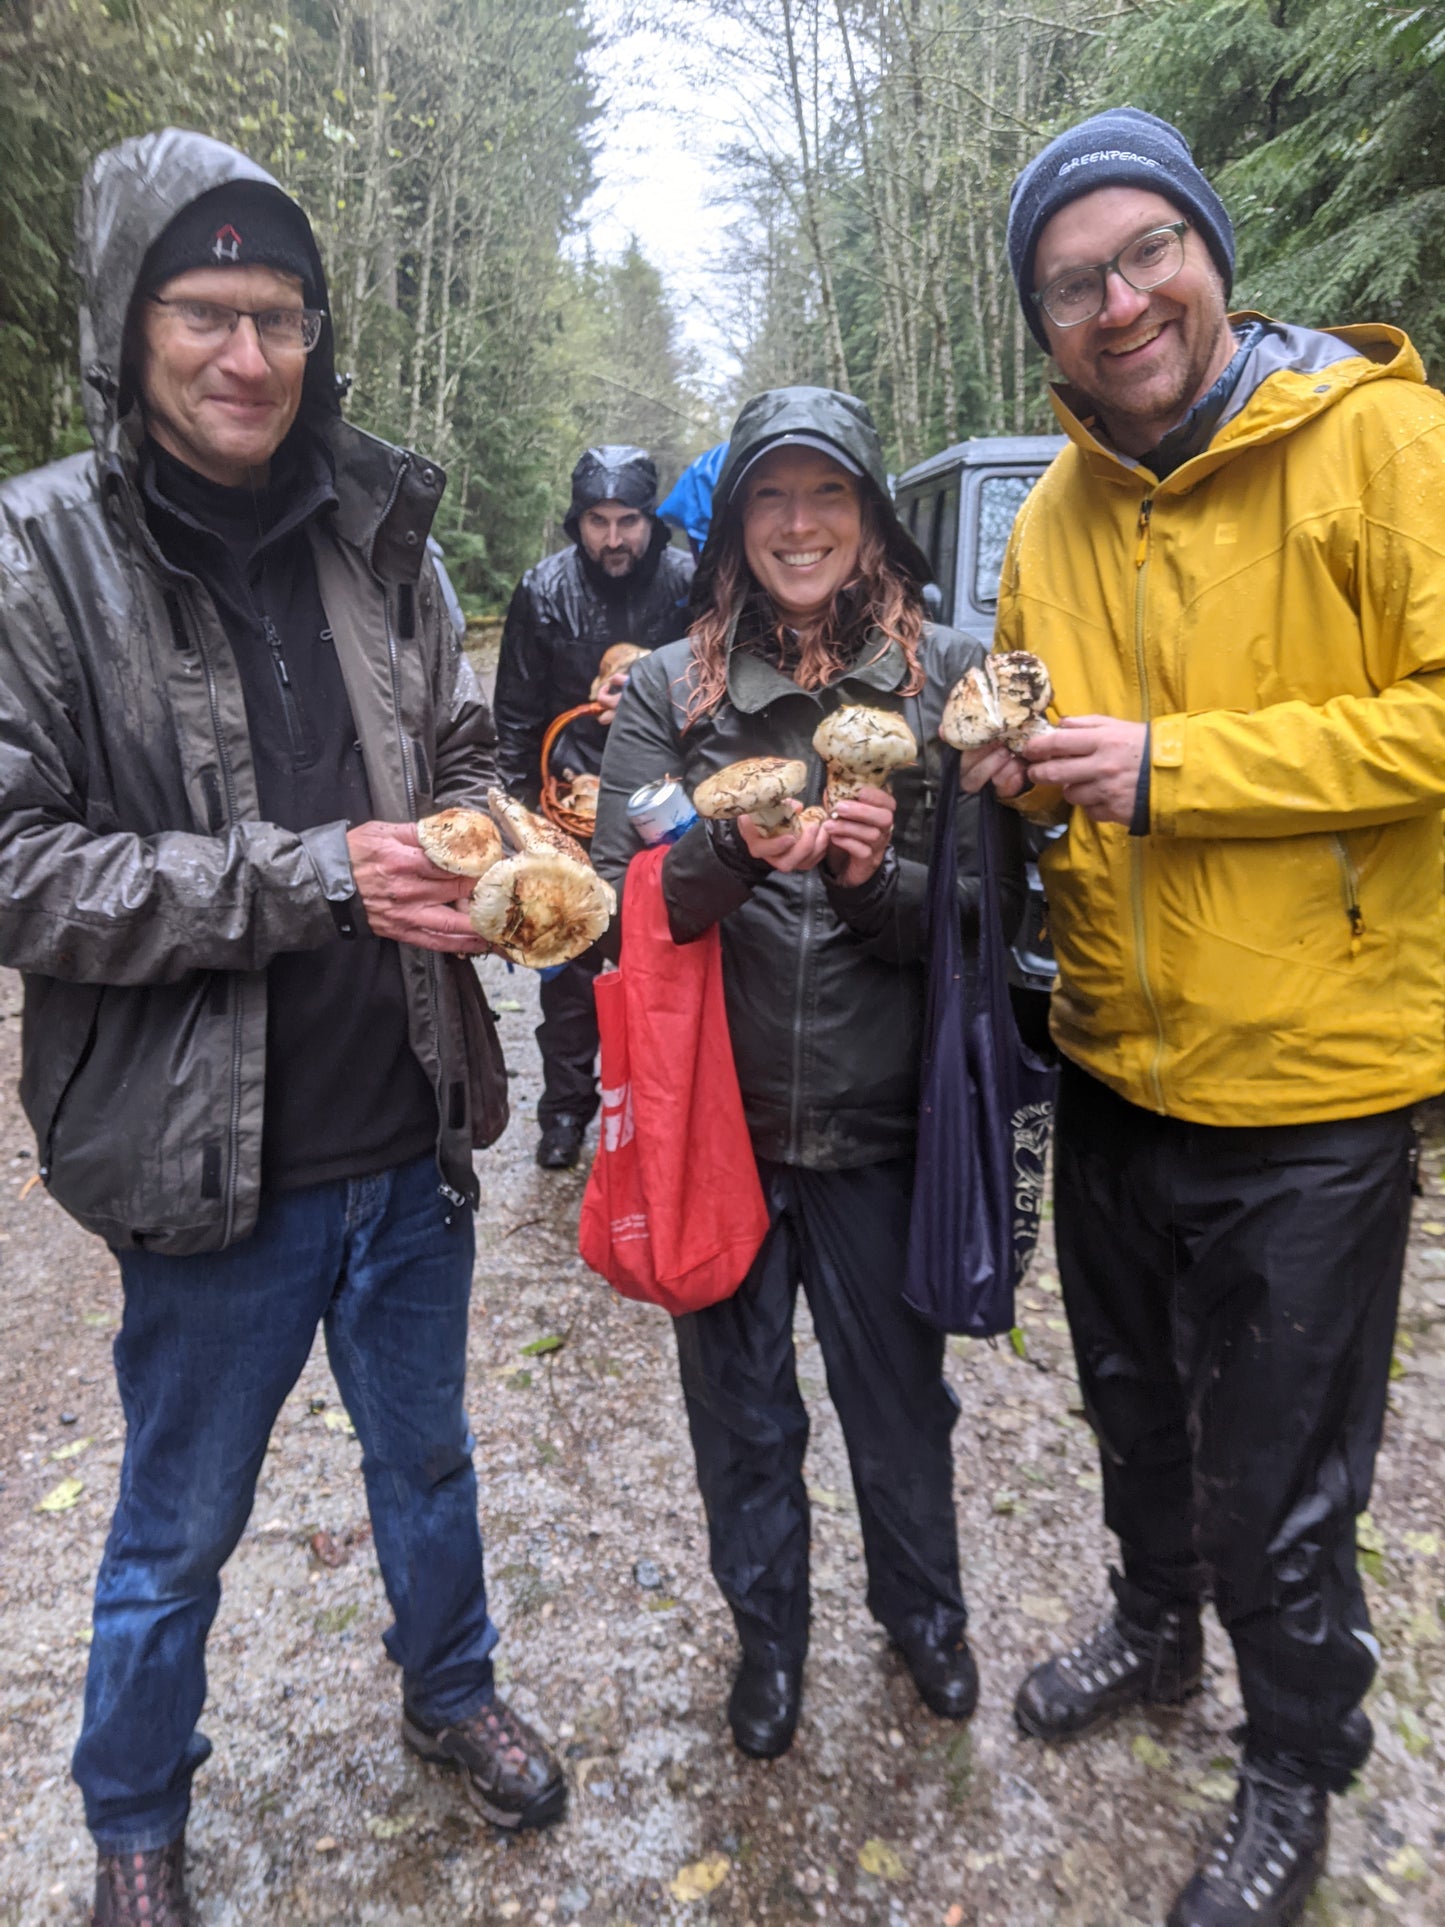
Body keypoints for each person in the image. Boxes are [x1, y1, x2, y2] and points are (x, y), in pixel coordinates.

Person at [0, 129, 566, 1927]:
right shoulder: (38, 558)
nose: (251, 354)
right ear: (129, 323)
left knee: (432, 1456)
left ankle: (452, 1689)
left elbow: (458, 753)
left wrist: (511, 845)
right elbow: (21, 865)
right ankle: (132, 1819)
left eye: (282, 316)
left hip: (409, 1119)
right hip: (208, 1157)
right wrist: (309, 872)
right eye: (208, 311)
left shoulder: (377, 536)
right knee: (173, 1529)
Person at [962, 107, 1445, 1927]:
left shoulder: (1388, 445)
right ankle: (1156, 1634)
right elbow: (1041, 737)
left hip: (1315, 1080)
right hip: (1115, 1053)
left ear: (1210, 251)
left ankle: (1294, 1762)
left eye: (1144, 251)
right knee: (1135, 1407)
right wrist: (1017, 770)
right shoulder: (1054, 518)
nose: (1120, 299)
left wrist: (1177, 769)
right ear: (1048, 324)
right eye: (1073, 282)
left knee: (1285, 1476)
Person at [592, 387, 1024, 1761]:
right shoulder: (670, 687)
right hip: (716, 1126)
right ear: (732, 530)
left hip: (880, 1119)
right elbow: (620, 904)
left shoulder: (945, 678)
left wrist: (869, 878)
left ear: (871, 516)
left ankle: (925, 1615)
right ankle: (768, 1637)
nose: (798, 525)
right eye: (771, 498)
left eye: (825, 494)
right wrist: (725, 854)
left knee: (898, 1404)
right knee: (740, 1411)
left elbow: (987, 918)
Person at [493, 446, 694, 1169]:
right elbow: (515, 716)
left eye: (629, 520)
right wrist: (520, 826)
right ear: (576, 521)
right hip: (566, 803)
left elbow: (719, 693)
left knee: (667, 967)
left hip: (666, 802)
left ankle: (658, 1118)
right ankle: (564, 1113)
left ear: (651, 520)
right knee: (570, 977)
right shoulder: (543, 588)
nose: (614, 538)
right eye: (598, 521)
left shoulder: (686, 583)